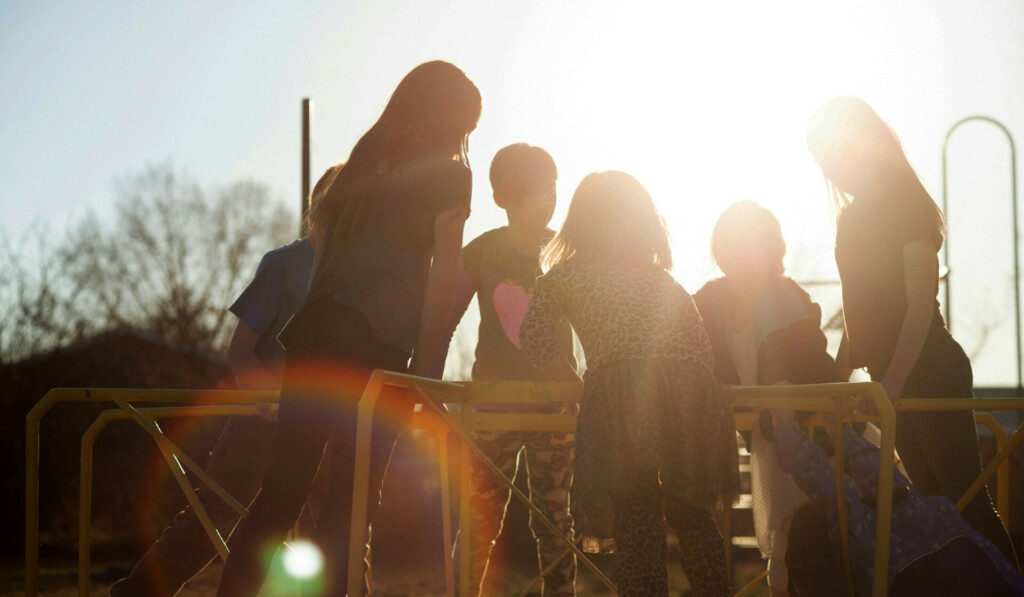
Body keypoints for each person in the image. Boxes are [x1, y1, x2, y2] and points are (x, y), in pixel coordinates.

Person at [216, 60, 481, 596]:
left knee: (281, 492)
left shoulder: (357, 167)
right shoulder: (450, 176)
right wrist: (424, 374)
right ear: (453, 119)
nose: (465, 141)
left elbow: (324, 270)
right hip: (372, 347)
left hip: (312, 340)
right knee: (351, 503)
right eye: (466, 129)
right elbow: (441, 282)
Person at [806, 96, 1017, 563]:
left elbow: (919, 305)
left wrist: (894, 382)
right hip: (890, 378)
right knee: (935, 508)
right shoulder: (849, 217)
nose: (831, 168)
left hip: (930, 366)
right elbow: (854, 306)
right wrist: (839, 383)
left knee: (964, 501)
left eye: (834, 153)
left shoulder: (905, 203)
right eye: (821, 160)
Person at [110, 165, 337, 597]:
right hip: (261, 418)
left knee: (333, 525)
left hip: (322, 422)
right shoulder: (284, 266)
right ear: (320, 208)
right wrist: (274, 397)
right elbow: (239, 353)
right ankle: (137, 593)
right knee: (211, 514)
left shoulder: (350, 274)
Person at [519, 171, 738, 597]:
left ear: (580, 222)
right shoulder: (664, 281)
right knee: (693, 517)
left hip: (624, 396)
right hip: (690, 395)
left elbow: (533, 335)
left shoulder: (567, 276)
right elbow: (702, 351)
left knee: (637, 518)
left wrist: (582, 386)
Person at [434, 143, 577, 597]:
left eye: (552, 188)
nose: (546, 198)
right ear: (502, 199)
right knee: (479, 520)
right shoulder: (482, 252)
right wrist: (430, 384)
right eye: (533, 191)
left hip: (556, 408)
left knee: (555, 521)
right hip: (492, 408)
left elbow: (592, 320)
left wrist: (592, 387)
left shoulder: (565, 252)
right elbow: (444, 318)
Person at [693, 201, 837, 597]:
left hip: (812, 438)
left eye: (749, 242)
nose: (735, 252)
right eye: (726, 242)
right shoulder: (709, 301)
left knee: (810, 544)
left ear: (773, 248)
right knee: (782, 551)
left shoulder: (786, 298)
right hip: (767, 441)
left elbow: (813, 366)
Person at [771, 414, 1024, 596]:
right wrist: (836, 428)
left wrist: (783, 425)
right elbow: (874, 473)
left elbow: (832, 494)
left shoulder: (864, 550)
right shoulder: (919, 514)